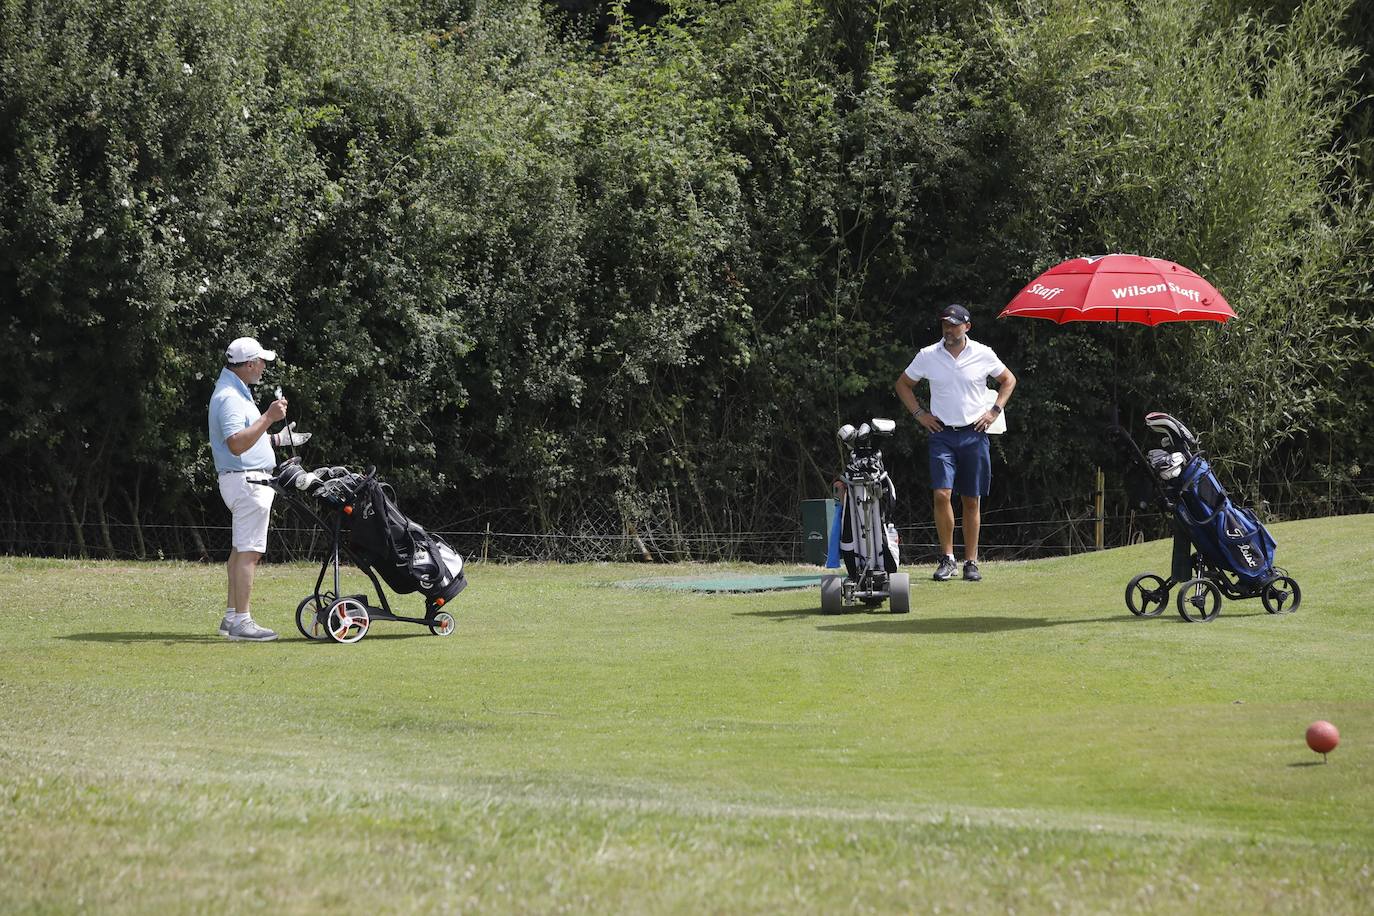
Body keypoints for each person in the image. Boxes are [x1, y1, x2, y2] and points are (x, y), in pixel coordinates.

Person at [894, 304, 1016, 582]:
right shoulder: (928, 355)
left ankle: (971, 561)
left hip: (974, 433)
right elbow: (903, 384)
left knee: (971, 499)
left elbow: (1008, 380)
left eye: (953, 324)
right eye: (944, 325)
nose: (948, 329)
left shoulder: (983, 354)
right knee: (942, 494)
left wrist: (994, 411)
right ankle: (947, 558)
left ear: (966, 327)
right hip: (942, 435)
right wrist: (919, 414)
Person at [208, 336, 310, 641]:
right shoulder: (229, 396)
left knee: (240, 551)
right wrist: (268, 417)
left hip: (247, 480)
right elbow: (236, 444)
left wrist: (276, 438)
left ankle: (231, 618)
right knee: (250, 553)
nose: (264, 367)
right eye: (261, 362)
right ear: (249, 364)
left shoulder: (237, 391)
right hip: (247, 482)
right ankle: (242, 621)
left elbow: (247, 438)